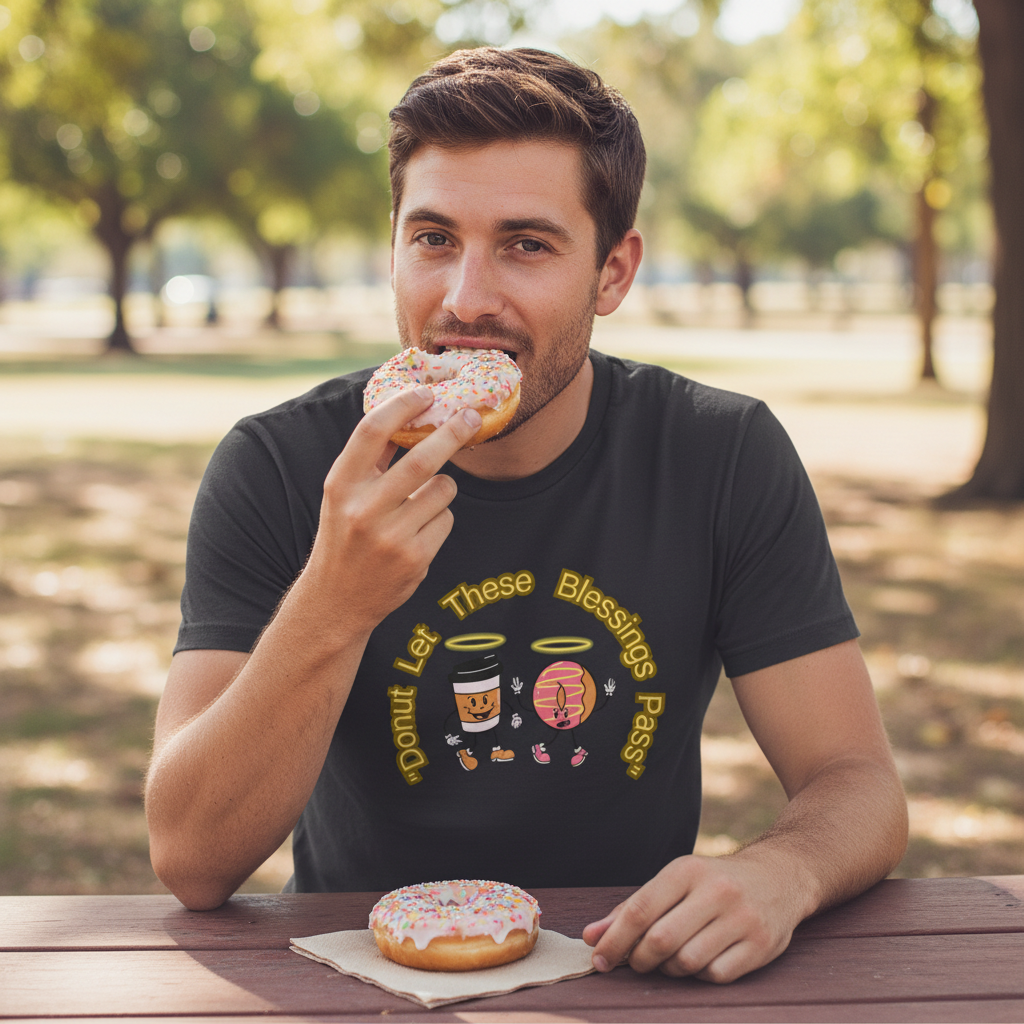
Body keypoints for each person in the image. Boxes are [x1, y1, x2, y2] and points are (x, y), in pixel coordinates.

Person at [145, 46, 908, 984]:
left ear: (613, 273)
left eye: (526, 244)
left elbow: (859, 783)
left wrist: (783, 870)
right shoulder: (278, 466)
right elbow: (190, 857)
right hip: (357, 988)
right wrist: (334, 601)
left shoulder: (721, 455)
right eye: (433, 239)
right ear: (393, 247)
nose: (466, 300)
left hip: (634, 976)